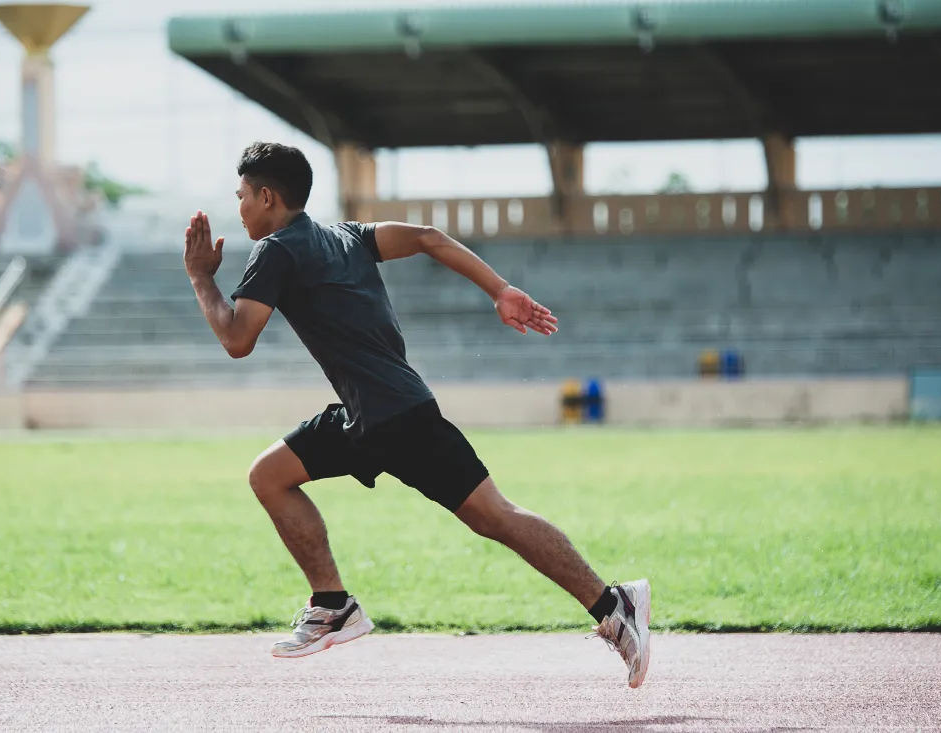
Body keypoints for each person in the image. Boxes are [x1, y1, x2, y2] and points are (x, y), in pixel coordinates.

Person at [183, 142, 651, 688]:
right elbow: (429, 238)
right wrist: (499, 289)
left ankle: (612, 603)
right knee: (270, 475)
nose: (238, 209)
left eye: (241, 196)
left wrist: (200, 277)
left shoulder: (277, 251)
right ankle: (332, 604)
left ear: (267, 196)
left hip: (394, 418)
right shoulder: (348, 236)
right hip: (375, 414)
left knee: (495, 517)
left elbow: (238, 339)